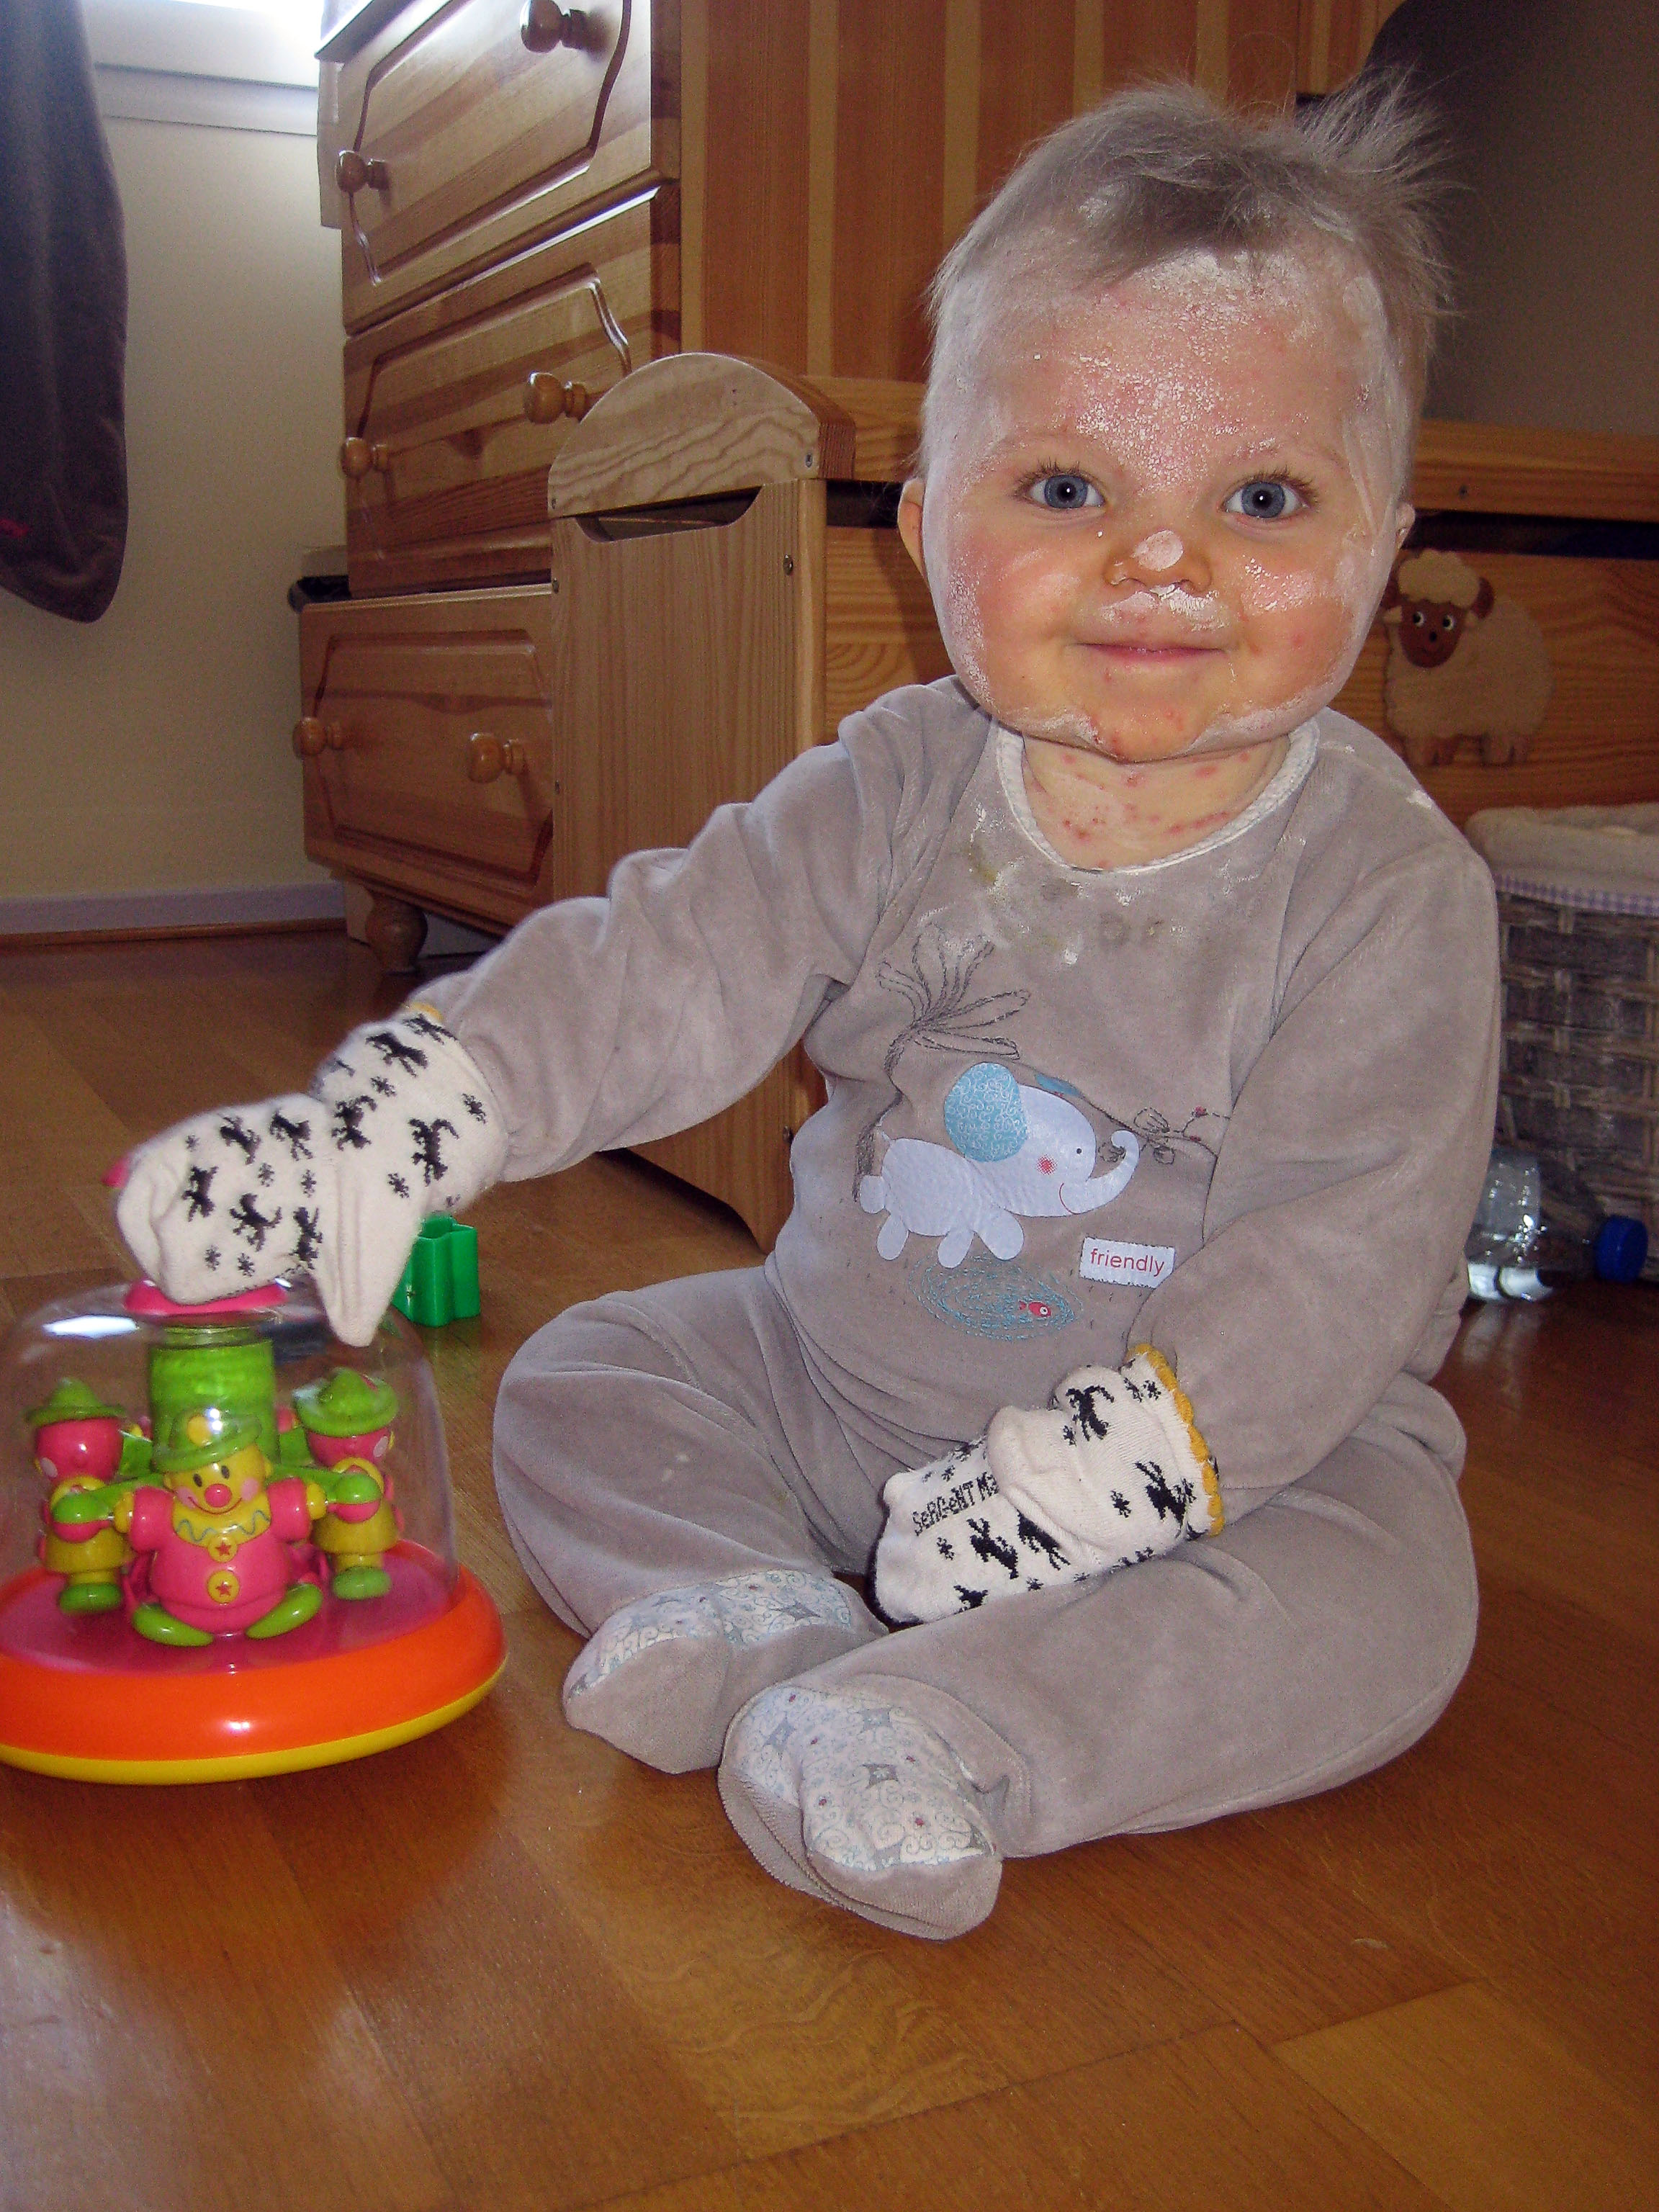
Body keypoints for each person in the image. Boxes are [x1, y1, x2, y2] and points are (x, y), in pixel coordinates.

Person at [117, 78, 1498, 1941]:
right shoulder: (898, 785)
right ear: (925, 531)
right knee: (585, 1376)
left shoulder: (1389, 887)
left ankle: (950, 1723)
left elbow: (1346, 1253)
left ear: (1384, 545)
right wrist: (411, 1116)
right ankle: (753, 1613)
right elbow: (672, 958)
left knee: (1394, 1595)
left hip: (1223, 1475)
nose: (1161, 559)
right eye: (1068, 489)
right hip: (839, 1394)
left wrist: (1117, 1478)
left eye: (1260, 499)